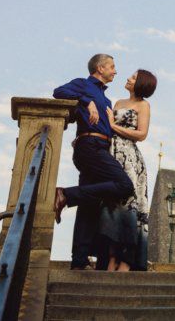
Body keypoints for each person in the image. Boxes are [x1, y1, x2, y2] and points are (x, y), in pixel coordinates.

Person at [52, 54, 135, 270]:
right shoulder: (83, 85)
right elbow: (58, 92)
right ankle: (65, 194)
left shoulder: (106, 99)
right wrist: (85, 101)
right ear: (100, 68)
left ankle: (78, 260)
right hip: (89, 146)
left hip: (100, 147)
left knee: (88, 204)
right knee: (124, 186)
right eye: (112, 67)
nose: (115, 71)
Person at [98, 69, 155, 272]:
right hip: (112, 154)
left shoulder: (143, 105)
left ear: (140, 83)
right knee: (112, 208)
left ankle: (127, 260)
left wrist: (113, 126)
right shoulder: (118, 103)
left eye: (133, 77)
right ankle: (112, 258)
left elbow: (141, 134)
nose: (128, 78)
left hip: (130, 159)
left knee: (130, 208)